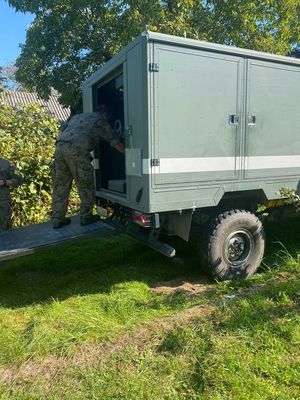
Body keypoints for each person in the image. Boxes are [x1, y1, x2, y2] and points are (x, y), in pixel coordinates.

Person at [52, 105, 124, 229]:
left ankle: (58, 219)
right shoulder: (99, 120)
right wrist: (128, 153)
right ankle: (86, 217)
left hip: (59, 148)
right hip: (76, 151)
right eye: (108, 117)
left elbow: (61, 130)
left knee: (61, 185)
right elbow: (115, 142)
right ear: (104, 114)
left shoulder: (77, 116)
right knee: (86, 184)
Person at [0, 157, 23, 233]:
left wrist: (4, 182)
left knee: (5, 229)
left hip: (2, 205)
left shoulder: (6, 164)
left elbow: (19, 180)